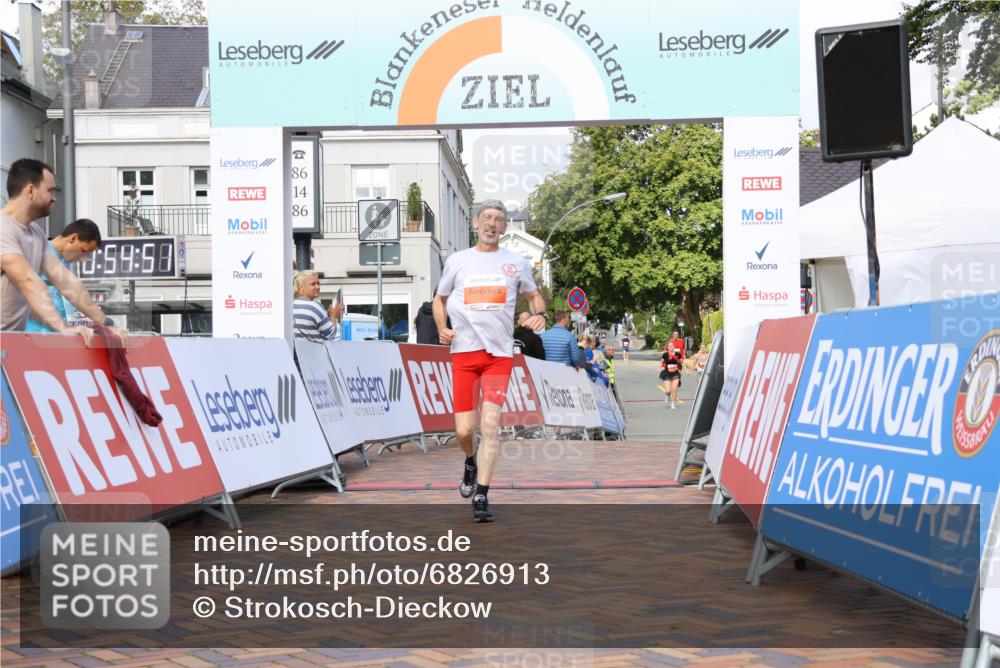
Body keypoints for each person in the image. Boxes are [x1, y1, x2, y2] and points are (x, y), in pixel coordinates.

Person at [433, 199, 546, 522]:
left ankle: (482, 492)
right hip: (465, 355)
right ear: (476, 224)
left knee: (492, 425)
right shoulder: (458, 261)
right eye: (487, 218)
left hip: (499, 356)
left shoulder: (515, 263)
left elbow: (534, 296)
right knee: (464, 430)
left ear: (504, 228)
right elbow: (438, 300)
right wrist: (442, 327)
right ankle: (470, 461)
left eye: (498, 219)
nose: (492, 224)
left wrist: (540, 314)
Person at [1, 159, 126, 347]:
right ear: (30, 191)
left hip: (9, 344)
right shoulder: (3, 228)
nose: (54, 197)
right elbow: (27, 281)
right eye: (50, 190)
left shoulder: (36, 234)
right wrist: (63, 327)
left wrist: (106, 323)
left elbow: (65, 280)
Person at [25, 219, 102, 332]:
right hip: (31, 337)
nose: (83, 260)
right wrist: (63, 328)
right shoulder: (37, 252)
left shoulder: (60, 263)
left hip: (51, 336)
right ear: (73, 238)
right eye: (83, 251)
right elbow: (24, 299)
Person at [292, 270, 343, 340]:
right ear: (301, 287)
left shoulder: (290, 305)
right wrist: (333, 316)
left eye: (318, 283)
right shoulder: (314, 306)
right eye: (313, 284)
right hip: (313, 350)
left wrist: (327, 317)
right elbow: (330, 334)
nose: (317, 287)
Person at [657, 344, 683, 409]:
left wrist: (684, 369)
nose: (671, 347)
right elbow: (662, 361)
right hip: (667, 373)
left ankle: (673, 404)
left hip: (675, 373)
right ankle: (668, 395)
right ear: (668, 347)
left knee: (674, 389)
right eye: (670, 346)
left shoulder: (678, 354)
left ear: (674, 347)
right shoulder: (665, 354)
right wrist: (659, 368)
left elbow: (681, 362)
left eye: (672, 346)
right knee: (668, 391)